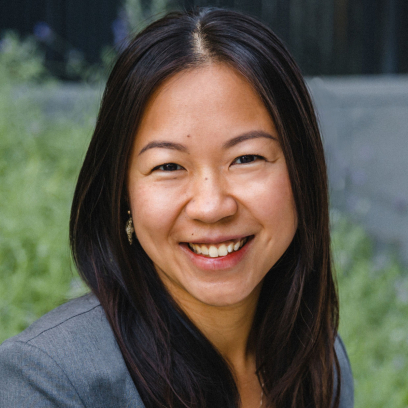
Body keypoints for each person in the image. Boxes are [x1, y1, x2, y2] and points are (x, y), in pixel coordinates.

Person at [0, 7, 354, 408]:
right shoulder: (48, 382)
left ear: (302, 172)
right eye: (168, 166)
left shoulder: (321, 361)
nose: (211, 206)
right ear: (122, 194)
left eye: (246, 158)